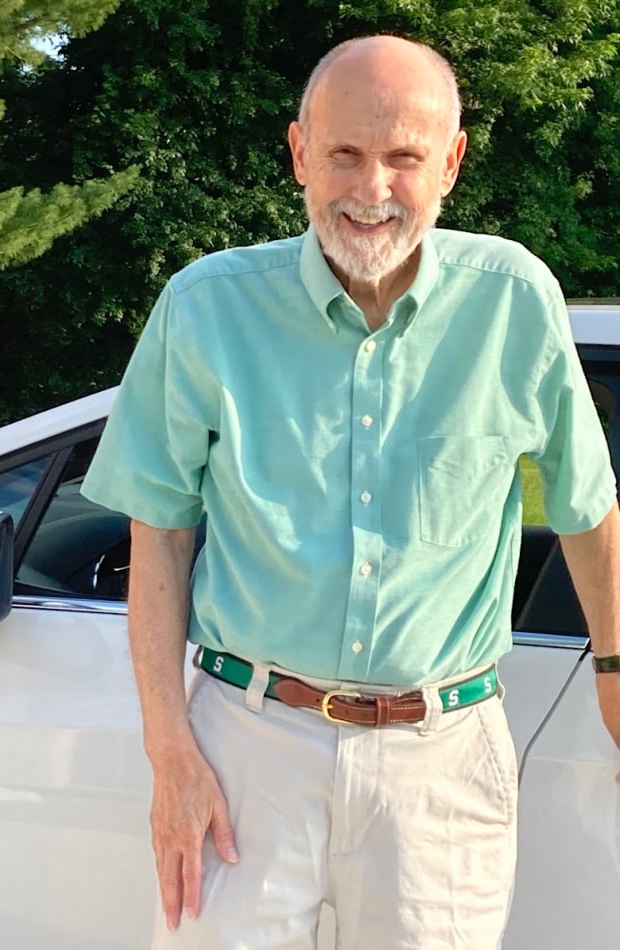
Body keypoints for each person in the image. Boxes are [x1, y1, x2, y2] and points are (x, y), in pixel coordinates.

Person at [82, 34, 620, 949]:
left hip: (443, 761)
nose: (372, 188)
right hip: (244, 749)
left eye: (404, 156)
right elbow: (160, 532)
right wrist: (170, 753)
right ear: (299, 153)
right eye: (344, 153)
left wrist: (613, 677)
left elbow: (586, 510)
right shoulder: (206, 307)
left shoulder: (513, 300)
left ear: (451, 163)